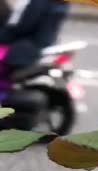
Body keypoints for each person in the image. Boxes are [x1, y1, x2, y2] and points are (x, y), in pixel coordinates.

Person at [0, 0, 69, 130]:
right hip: (40, 43)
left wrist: (5, 34)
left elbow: (23, 25)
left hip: (29, 47)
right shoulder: (58, 3)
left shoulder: (39, 2)